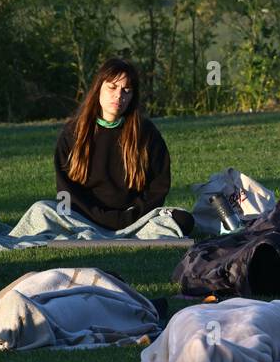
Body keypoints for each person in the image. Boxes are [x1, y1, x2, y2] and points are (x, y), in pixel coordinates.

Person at [54, 57, 193, 235]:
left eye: (126, 90)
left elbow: (158, 186)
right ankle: (105, 231)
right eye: (112, 87)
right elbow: (66, 191)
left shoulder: (146, 132)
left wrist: (129, 217)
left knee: (183, 219)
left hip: (135, 219)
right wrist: (98, 217)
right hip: (84, 218)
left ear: (133, 96)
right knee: (42, 209)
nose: (119, 95)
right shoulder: (73, 132)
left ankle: (114, 232)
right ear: (98, 89)